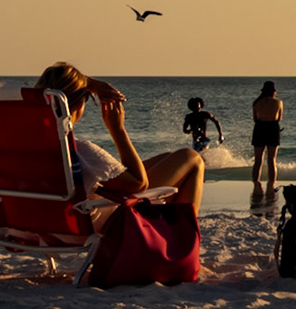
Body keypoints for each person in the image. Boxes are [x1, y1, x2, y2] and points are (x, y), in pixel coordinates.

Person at [35, 62, 205, 210]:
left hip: (46, 223)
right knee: (191, 158)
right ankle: (179, 240)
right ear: (80, 103)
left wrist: (89, 83)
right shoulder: (80, 152)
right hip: (101, 219)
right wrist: (117, 129)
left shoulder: (29, 145)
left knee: (169, 159)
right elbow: (139, 184)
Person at [251, 81, 284, 191]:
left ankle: (255, 183)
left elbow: (255, 119)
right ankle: (271, 184)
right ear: (273, 91)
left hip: (259, 127)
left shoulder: (256, 103)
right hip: (273, 128)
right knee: (272, 159)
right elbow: (279, 118)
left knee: (258, 160)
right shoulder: (278, 103)